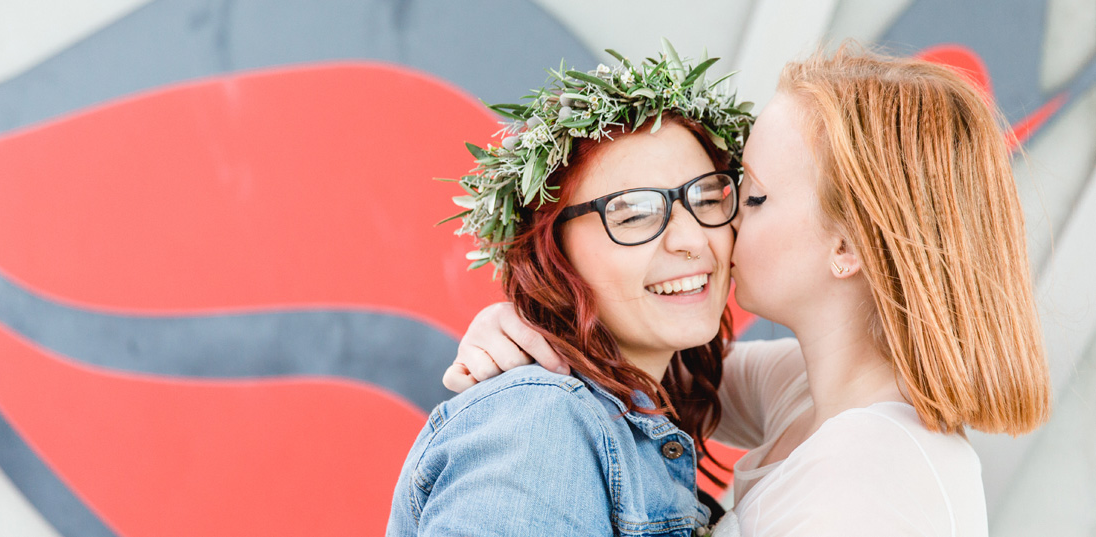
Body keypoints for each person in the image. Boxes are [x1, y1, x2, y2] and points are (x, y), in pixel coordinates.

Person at [444, 45, 1051, 536]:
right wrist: (526, 321)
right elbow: (639, 370)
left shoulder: (870, 482)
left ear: (847, 248)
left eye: (751, 197)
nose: (717, 228)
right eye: (725, 193)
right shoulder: (809, 389)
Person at [387, 44, 755, 536]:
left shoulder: (641, 409)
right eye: (635, 214)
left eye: (707, 197)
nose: (692, 240)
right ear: (550, 250)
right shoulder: (540, 426)